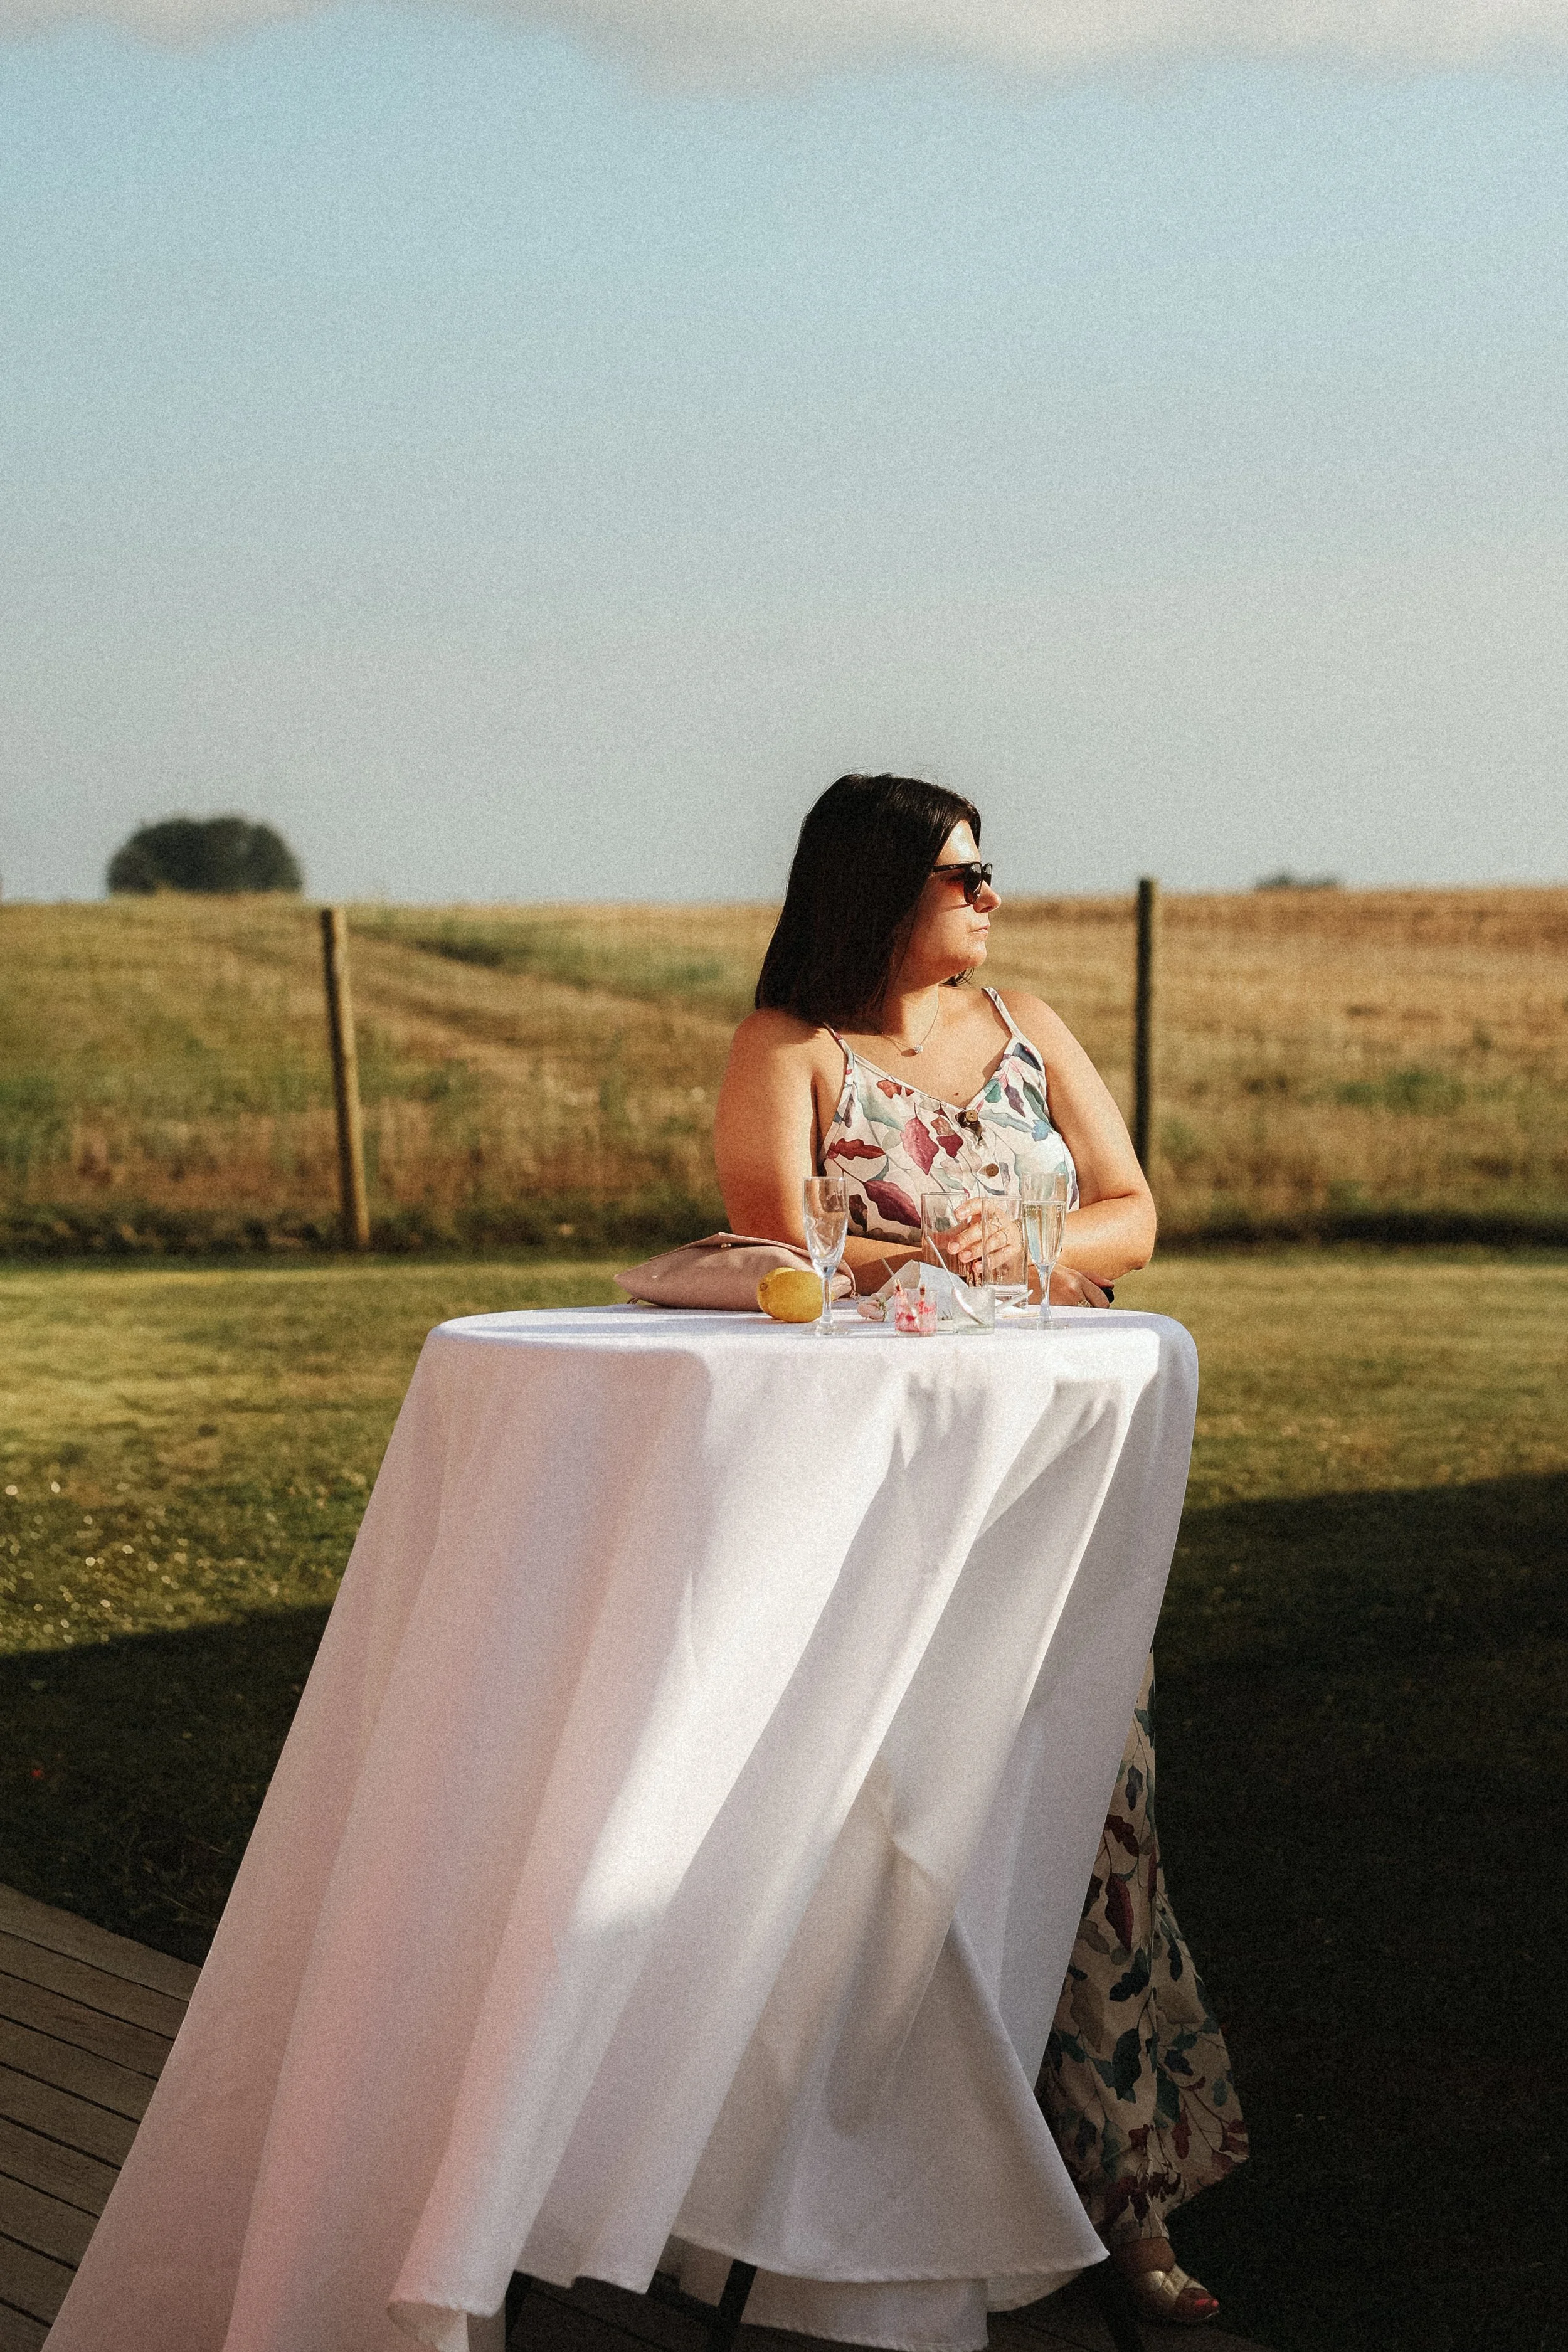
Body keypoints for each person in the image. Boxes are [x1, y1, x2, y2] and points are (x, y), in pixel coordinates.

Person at [714, 772, 1248, 2327]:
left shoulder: (1024, 1026)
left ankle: (1128, 2212)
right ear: (880, 890)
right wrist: (891, 1252)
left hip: (1045, 1483)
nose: (990, 896)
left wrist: (1034, 1251)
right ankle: (861, 2196)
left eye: (985, 871)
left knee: (1099, 1814)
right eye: (965, 874)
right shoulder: (789, 1051)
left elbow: (1129, 1217)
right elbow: (768, 1259)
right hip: (873, 1505)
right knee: (892, 1840)